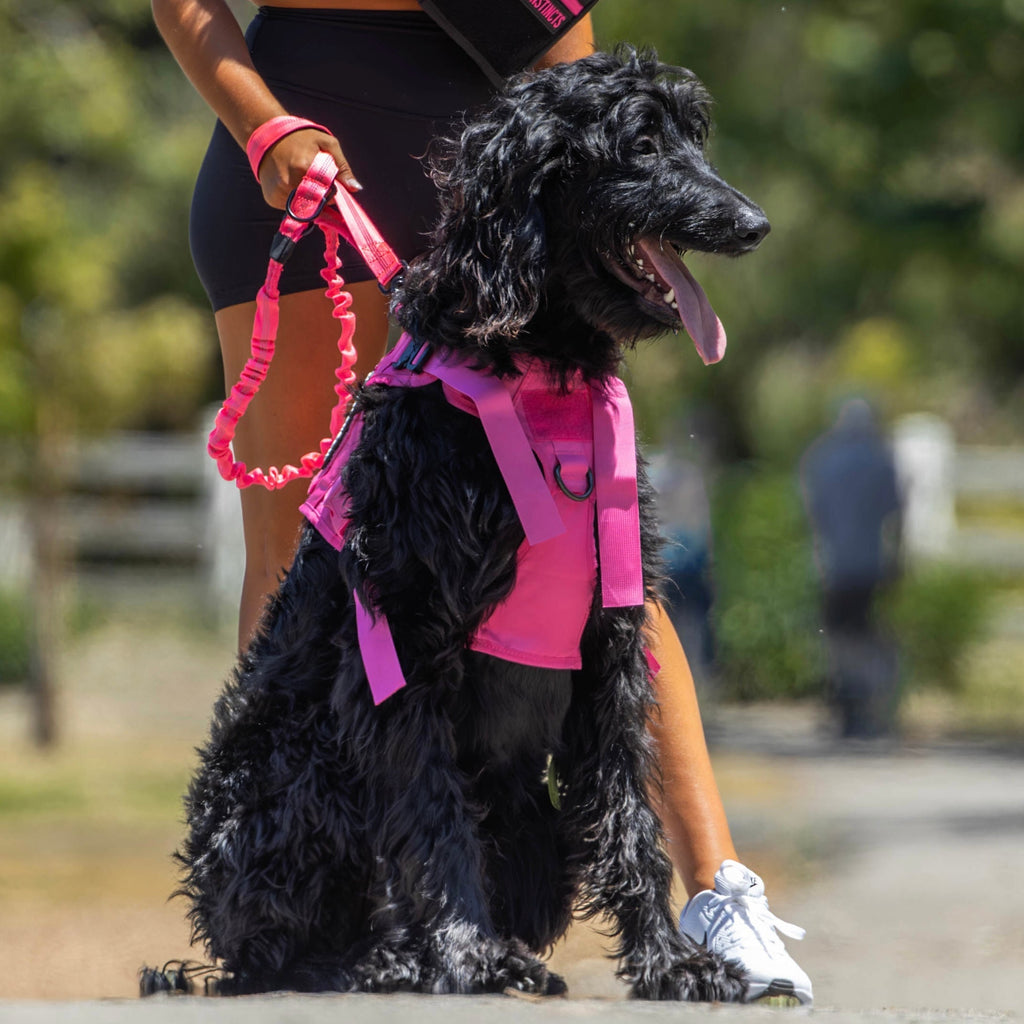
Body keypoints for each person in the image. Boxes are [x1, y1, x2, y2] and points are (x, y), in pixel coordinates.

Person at [152, 0, 811, 1002]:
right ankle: (302, 909)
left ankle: (717, 890)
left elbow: (565, 57)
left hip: (495, 179)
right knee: (306, 568)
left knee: (601, 558)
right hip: (288, 155)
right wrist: (260, 124)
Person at [801, 398, 903, 738]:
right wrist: (898, 558)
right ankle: (869, 709)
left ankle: (845, 705)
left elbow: (812, 513)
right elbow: (896, 514)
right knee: (868, 633)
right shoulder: (881, 458)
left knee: (838, 636)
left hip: (833, 563)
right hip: (871, 562)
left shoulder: (823, 458)